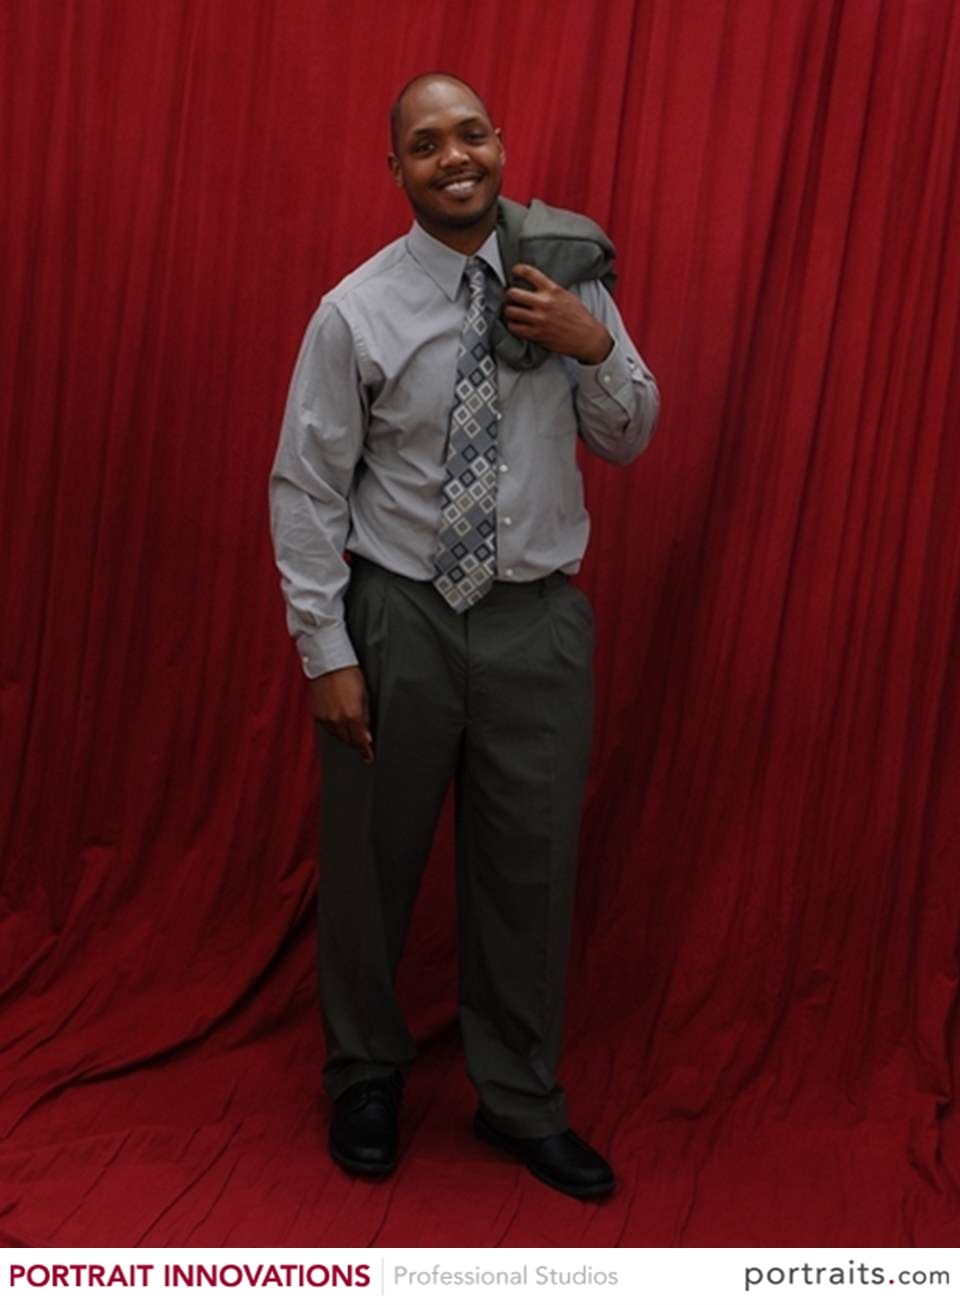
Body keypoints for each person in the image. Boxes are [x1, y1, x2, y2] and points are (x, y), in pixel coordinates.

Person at [269, 71, 660, 1199]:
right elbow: (306, 488)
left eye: (472, 134)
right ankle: (365, 1074)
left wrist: (593, 346)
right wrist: (328, 652)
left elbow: (630, 436)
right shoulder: (356, 311)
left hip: (537, 625)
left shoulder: (569, 276)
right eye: (428, 142)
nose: (456, 157)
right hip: (400, 619)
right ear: (396, 168)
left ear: (501, 144)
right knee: (368, 864)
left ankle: (519, 1099)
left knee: (530, 871)